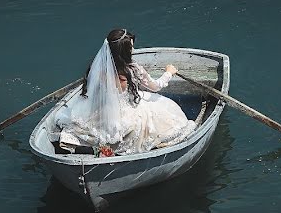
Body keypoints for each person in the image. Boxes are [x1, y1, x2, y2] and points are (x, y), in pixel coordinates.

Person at [53, 29, 196, 155]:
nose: (133, 50)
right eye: (131, 48)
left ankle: (86, 148)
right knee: (166, 116)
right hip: (125, 116)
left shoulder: (96, 69)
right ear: (125, 51)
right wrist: (169, 73)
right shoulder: (133, 70)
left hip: (101, 113)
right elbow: (156, 86)